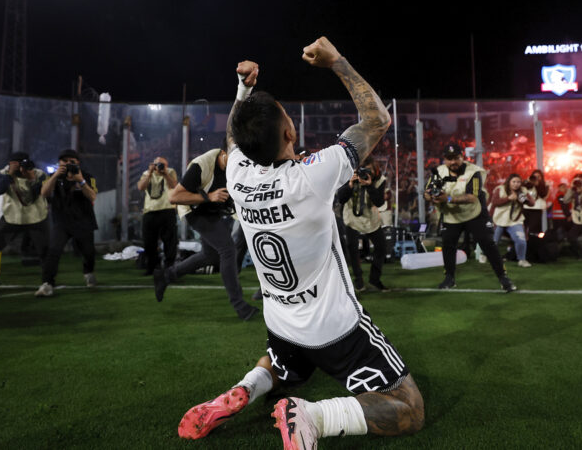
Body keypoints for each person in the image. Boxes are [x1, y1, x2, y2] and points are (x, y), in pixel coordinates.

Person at [178, 38, 424, 448]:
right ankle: (312, 416)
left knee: (283, 366)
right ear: (290, 131)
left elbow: (234, 137)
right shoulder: (312, 175)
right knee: (408, 406)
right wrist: (338, 62)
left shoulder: (237, 172)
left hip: (280, 321)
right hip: (334, 328)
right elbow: (377, 119)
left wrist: (243, 90)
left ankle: (247, 387)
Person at [154, 144, 259, 321]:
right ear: (224, 153)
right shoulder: (201, 164)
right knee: (228, 250)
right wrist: (209, 197)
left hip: (212, 211)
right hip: (193, 210)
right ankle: (241, 307)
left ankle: (166, 275)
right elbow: (175, 197)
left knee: (210, 256)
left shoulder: (236, 167)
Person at [424, 143, 516, 291]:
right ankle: (449, 278)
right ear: (444, 159)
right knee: (448, 245)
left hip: (475, 213)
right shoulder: (439, 172)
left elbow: (472, 197)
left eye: (456, 158)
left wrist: (447, 199)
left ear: (463, 157)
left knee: (487, 244)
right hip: (451, 215)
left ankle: (503, 277)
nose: (453, 162)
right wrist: (430, 196)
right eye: (449, 158)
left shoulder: (474, 172)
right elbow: (427, 191)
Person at [0, 152, 49, 293]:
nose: (19, 166)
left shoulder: (39, 174)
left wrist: (30, 178)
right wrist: (9, 175)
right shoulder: (3, 173)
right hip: (12, 217)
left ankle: (48, 282)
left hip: (35, 217)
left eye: (22, 163)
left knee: (45, 252)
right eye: (15, 163)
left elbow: (32, 197)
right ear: (10, 164)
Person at [35, 149, 99, 297]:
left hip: (83, 221)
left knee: (89, 253)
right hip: (62, 222)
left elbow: (92, 196)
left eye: (72, 161)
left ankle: (88, 271)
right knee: (54, 251)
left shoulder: (87, 177)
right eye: (64, 161)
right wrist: (56, 175)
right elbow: (44, 193)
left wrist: (80, 180)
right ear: (59, 163)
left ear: (78, 163)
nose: (68, 164)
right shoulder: (53, 177)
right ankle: (47, 283)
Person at [336, 155, 388, 290]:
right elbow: (340, 199)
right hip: (351, 218)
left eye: (369, 170)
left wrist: (370, 186)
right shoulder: (349, 176)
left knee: (381, 247)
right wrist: (350, 185)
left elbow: (380, 202)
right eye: (363, 170)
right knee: (352, 249)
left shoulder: (380, 180)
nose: (366, 173)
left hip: (370, 219)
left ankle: (374, 279)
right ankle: (358, 280)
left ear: (375, 170)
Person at [137, 156, 179, 276]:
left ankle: (169, 267)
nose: (159, 166)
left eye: (162, 164)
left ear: (167, 165)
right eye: (157, 164)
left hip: (167, 209)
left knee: (170, 242)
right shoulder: (146, 173)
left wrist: (165, 173)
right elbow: (141, 187)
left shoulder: (170, 172)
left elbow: (174, 186)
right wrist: (150, 173)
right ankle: (152, 267)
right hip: (150, 211)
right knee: (149, 241)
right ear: (152, 164)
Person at [490, 173, 534, 268]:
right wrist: (508, 199)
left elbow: (532, 203)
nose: (516, 184)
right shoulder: (500, 189)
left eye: (518, 182)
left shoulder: (523, 190)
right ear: (509, 182)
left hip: (515, 220)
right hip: (499, 220)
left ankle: (522, 259)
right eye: (514, 182)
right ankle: (487, 256)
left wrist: (524, 198)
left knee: (521, 240)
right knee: (493, 241)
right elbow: (494, 202)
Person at [523, 169, 549, 236]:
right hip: (526, 207)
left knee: (534, 228)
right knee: (524, 226)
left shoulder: (544, 184)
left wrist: (538, 185)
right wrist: (529, 182)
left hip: (537, 208)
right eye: (535, 176)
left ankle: (534, 241)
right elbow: (523, 191)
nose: (536, 178)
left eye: (538, 176)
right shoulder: (527, 183)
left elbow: (543, 195)